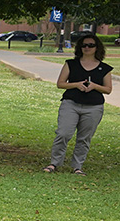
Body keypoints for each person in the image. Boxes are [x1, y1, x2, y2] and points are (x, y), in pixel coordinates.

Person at [44, 34, 113, 175]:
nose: (87, 48)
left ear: (97, 48)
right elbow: (60, 84)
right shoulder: (71, 64)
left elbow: (108, 90)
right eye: (84, 45)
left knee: (84, 138)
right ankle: (54, 163)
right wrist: (76, 85)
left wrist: (94, 86)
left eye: (90, 45)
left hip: (93, 107)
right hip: (71, 104)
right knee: (63, 133)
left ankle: (77, 166)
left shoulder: (104, 68)